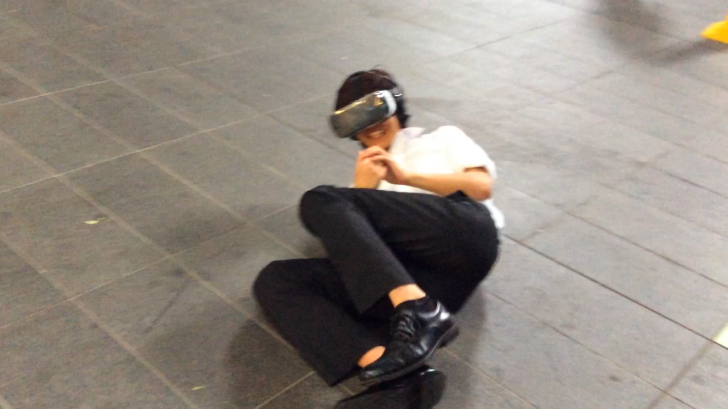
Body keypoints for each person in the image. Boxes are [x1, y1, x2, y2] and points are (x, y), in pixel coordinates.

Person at [253, 69, 503, 409]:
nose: (370, 125)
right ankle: (401, 380)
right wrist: (361, 191)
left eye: (375, 110)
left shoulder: (442, 139)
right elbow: (358, 267)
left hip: (462, 236)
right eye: (355, 120)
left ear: (396, 106)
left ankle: (420, 313)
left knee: (319, 199)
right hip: (420, 284)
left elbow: (481, 187)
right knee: (275, 279)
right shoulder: (358, 186)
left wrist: (406, 176)